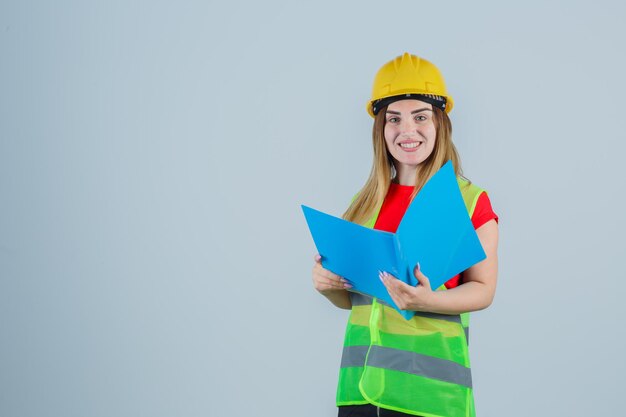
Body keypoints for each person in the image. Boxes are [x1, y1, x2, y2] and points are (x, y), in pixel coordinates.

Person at [311, 53, 499, 417]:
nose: (406, 130)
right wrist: (328, 284)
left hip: (430, 398)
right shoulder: (365, 203)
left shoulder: (468, 200)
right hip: (360, 394)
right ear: (381, 129)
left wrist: (425, 301)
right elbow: (354, 300)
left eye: (420, 117)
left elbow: (484, 290)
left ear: (440, 124)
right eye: (394, 119)